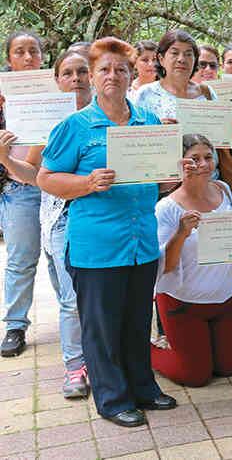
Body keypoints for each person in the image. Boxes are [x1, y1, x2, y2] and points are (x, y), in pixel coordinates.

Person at [37, 37, 176, 427]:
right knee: (101, 326)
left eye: (120, 69)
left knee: (137, 320)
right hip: (97, 245)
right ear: (93, 76)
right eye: (104, 69)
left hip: (141, 241)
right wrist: (86, 183)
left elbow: (160, 182)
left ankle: (143, 388)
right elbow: (46, 178)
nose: (113, 75)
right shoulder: (75, 126)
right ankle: (112, 399)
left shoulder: (149, 121)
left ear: (132, 75)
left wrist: (170, 176)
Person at [1, 48, 90, 396]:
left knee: (95, 296)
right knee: (71, 298)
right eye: (68, 73)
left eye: (82, 71)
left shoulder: (111, 114)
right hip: (60, 219)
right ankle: (75, 367)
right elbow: (32, 174)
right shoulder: (50, 122)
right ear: (57, 80)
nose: (76, 79)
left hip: (103, 218)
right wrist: (5, 159)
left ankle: (103, 359)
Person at [152, 134, 232, 385]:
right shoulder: (166, 208)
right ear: (180, 163)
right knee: (195, 376)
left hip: (224, 299)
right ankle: (146, 351)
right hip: (184, 303)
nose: (202, 164)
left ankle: (199, 348)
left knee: (229, 368)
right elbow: (165, 266)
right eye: (194, 159)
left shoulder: (223, 190)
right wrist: (181, 233)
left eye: (208, 157)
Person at [134, 29, 232, 190]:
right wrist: (158, 132)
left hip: (207, 183)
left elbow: (218, 141)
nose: (182, 59)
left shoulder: (207, 92)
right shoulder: (145, 94)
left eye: (188, 54)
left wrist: (230, 135)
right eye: (175, 53)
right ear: (161, 58)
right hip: (167, 187)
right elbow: (135, 143)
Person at [0, 31, 46, 358]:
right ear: (9, 59)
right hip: (19, 189)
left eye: (34, 51)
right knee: (21, 259)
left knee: (66, 261)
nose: (28, 57)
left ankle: (77, 323)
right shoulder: (1, 96)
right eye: (20, 51)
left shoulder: (57, 90)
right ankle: (15, 325)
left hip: (59, 187)